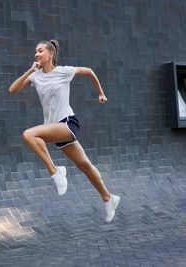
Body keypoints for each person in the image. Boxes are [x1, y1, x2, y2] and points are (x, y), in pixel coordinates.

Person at [8, 40, 120, 222]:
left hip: (67, 123)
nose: (37, 54)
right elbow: (12, 89)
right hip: (56, 130)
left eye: (40, 50)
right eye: (35, 51)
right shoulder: (35, 76)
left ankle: (55, 171)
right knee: (85, 166)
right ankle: (108, 198)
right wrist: (30, 70)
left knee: (29, 134)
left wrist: (101, 93)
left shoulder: (63, 71)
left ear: (51, 54)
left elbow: (89, 71)